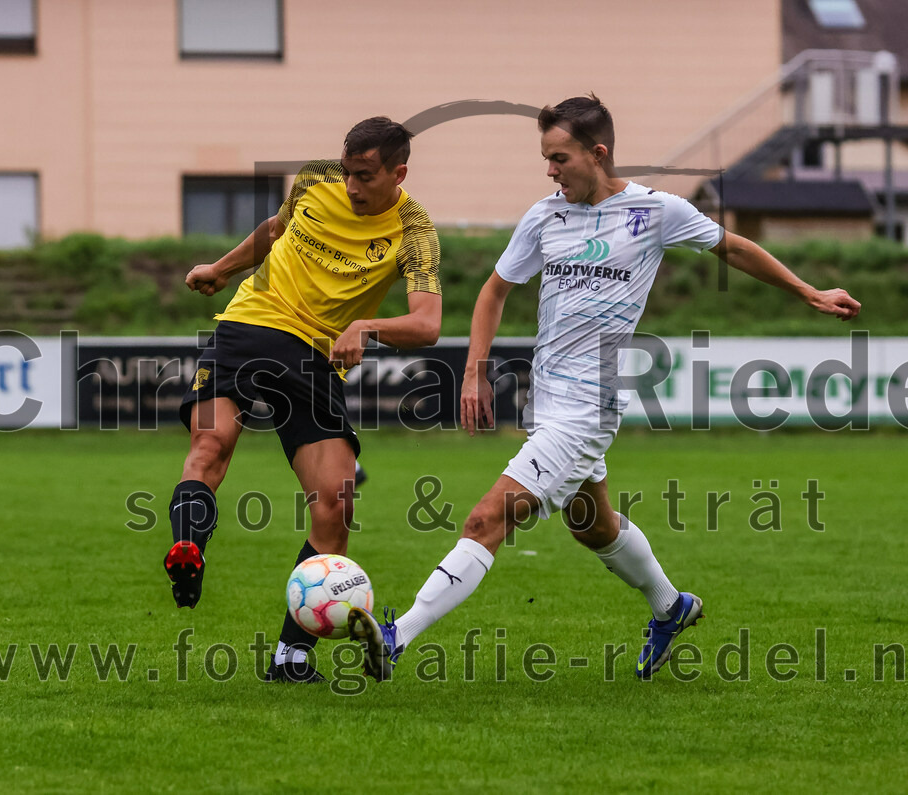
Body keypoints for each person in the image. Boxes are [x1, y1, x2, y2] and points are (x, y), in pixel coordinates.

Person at [348, 95, 860, 681]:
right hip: (550, 402)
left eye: (559, 157)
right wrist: (473, 370)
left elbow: (733, 248)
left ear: (598, 154)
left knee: (486, 520)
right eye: (545, 158)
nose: (550, 170)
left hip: (590, 407)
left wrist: (809, 293)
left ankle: (396, 635)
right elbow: (494, 291)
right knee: (592, 524)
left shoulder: (655, 211)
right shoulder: (544, 216)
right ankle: (672, 607)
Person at [164, 117, 442, 683]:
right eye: (348, 173)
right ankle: (193, 559)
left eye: (365, 176)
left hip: (309, 356)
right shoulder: (315, 179)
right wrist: (219, 269)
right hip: (249, 324)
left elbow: (426, 324)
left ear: (399, 172)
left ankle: (286, 651)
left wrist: (367, 325)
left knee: (331, 503)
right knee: (212, 449)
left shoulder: (415, 231)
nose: (352, 186)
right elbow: (274, 230)